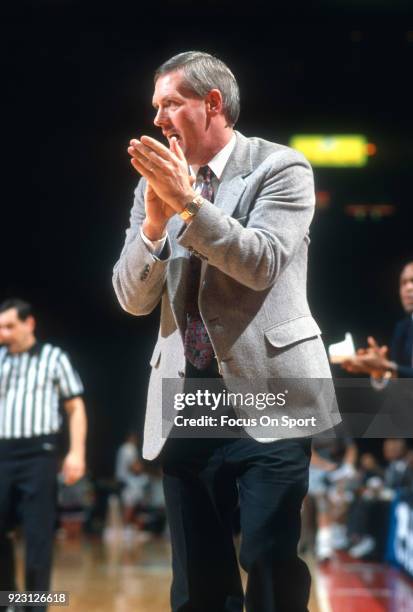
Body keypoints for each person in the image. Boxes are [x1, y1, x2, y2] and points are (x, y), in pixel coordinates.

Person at [113, 51, 340, 612]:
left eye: (171, 104)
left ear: (212, 104)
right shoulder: (154, 188)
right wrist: (152, 224)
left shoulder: (281, 167)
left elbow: (260, 261)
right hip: (189, 395)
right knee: (197, 578)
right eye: (155, 107)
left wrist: (188, 204)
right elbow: (131, 298)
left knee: (267, 558)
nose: (159, 119)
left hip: (275, 386)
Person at [0, 298, 87, 611]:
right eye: (0, 327)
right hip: (2, 453)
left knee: (38, 536)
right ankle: (8, 600)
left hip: (40, 453)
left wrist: (76, 452)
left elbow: (75, 407)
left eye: (9, 326)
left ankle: (36, 606)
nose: (3, 333)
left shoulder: (53, 358)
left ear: (29, 324)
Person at [342, 261, 413, 380]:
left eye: (412, 281)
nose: (408, 288)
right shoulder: (402, 328)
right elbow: (399, 381)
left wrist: (387, 366)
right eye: (403, 283)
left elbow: (393, 368)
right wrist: (377, 371)